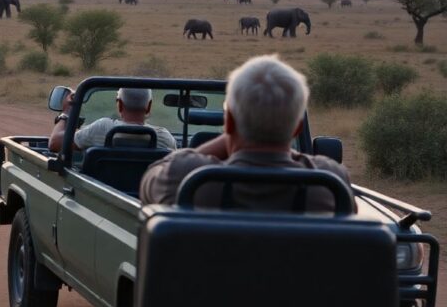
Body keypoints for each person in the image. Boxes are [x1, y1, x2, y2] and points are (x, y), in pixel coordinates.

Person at [139, 55, 355, 213]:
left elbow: (148, 183)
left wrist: (231, 134)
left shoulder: (187, 177)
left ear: (229, 122)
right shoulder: (330, 181)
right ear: (297, 127)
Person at [49, 87, 177, 152]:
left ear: (119, 105)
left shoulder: (102, 128)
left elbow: (55, 143)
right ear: (148, 107)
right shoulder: (164, 137)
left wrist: (66, 112)